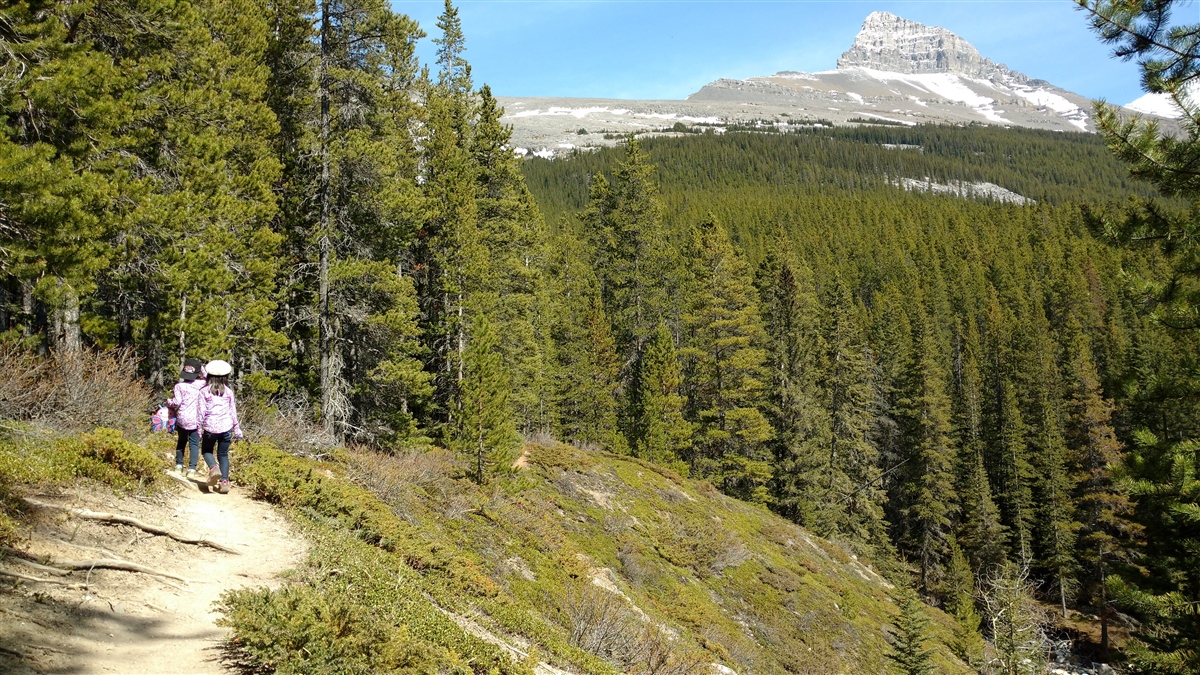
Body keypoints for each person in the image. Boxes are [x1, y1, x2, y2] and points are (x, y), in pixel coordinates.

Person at [196, 359, 243, 494]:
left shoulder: (204, 391)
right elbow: (232, 411)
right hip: (226, 427)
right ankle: (224, 482)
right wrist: (236, 428)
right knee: (223, 454)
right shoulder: (228, 392)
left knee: (206, 451)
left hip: (210, 427)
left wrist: (199, 427)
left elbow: (201, 412)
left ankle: (213, 468)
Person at [167, 358, 206, 478]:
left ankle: (179, 466)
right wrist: (201, 368)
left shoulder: (179, 386)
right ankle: (192, 469)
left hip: (182, 418)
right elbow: (209, 378)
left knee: (181, 441)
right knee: (194, 444)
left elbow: (177, 402)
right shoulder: (201, 384)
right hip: (195, 419)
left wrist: (169, 402)